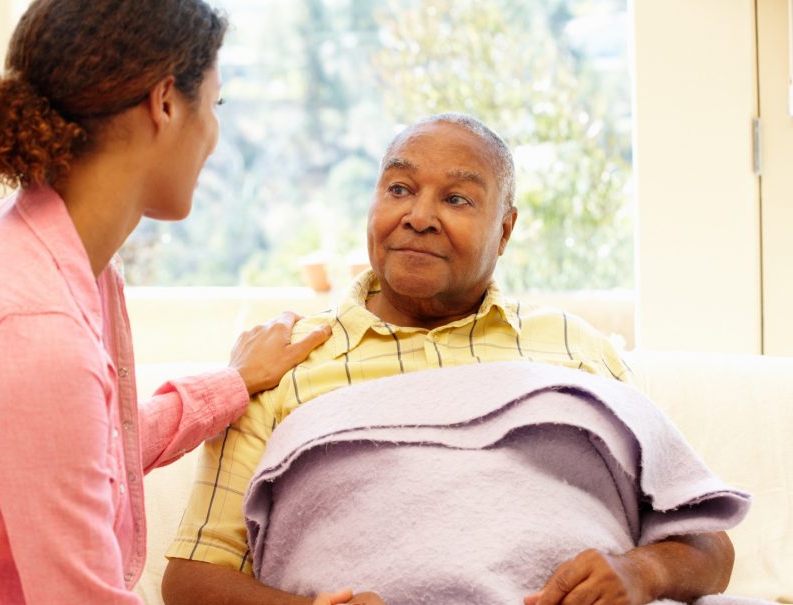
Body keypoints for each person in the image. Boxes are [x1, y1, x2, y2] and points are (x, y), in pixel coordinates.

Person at [0, 1, 331, 603]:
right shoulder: (33, 328)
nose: (215, 136)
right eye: (215, 105)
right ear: (166, 102)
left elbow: (89, 453)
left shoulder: (46, 248)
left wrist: (233, 384)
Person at [162, 113, 735, 605]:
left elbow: (708, 546)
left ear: (505, 230)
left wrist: (642, 571)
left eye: (457, 198)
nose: (419, 216)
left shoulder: (573, 347)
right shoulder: (282, 361)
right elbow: (191, 576)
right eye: (399, 189)